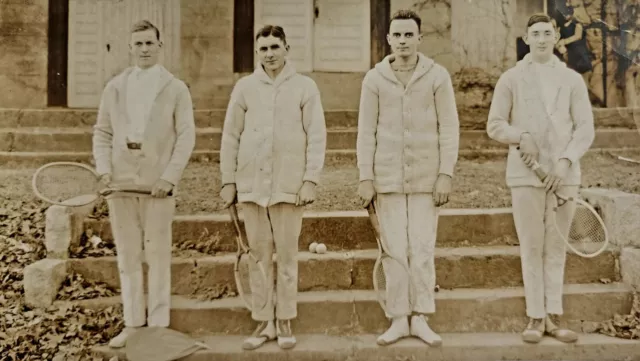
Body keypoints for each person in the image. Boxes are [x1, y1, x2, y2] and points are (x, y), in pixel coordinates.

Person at [486, 13, 595, 344]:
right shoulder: (511, 78)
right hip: (525, 176)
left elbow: (585, 128)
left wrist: (564, 161)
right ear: (527, 37)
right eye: (536, 33)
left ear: (557, 36)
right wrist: (521, 136)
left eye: (548, 33)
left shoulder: (572, 80)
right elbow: (495, 125)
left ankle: (555, 315)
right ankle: (535, 316)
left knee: (557, 246)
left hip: (565, 176)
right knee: (532, 246)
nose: (542, 38)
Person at [219, 25, 327, 351]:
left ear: (287, 47)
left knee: (288, 256)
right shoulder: (245, 88)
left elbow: (317, 136)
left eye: (275, 47)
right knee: (258, 257)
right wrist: (228, 181)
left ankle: (285, 320)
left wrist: (310, 180)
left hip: (289, 187)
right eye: (263, 48)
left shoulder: (305, 87)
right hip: (251, 187)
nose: (269, 53)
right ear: (257, 52)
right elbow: (230, 136)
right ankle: (264, 321)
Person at [356, 9, 460, 347]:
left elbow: (449, 128)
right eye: (397, 35)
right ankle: (399, 318)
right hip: (386, 180)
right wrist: (365, 177)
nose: (403, 41)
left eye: (408, 35)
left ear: (419, 38)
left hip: (426, 182)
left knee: (422, 247)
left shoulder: (437, 76)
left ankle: (421, 318)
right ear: (389, 39)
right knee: (395, 251)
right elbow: (365, 132)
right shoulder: (374, 79)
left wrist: (445, 174)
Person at [92, 20, 196, 348]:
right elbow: (103, 133)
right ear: (130, 47)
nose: (144, 49)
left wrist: (169, 176)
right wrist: (105, 170)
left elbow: (186, 135)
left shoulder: (175, 87)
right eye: (138, 44)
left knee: (157, 254)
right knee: (128, 255)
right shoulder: (115, 87)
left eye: (150, 43)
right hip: (120, 183)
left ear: (159, 46)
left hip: (157, 184)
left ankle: (158, 328)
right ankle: (134, 325)